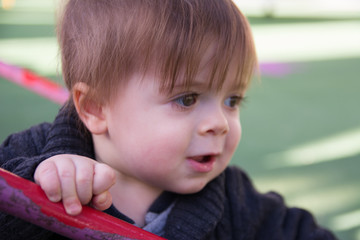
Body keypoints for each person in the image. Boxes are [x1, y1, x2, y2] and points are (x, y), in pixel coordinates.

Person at [0, 0, 337, 239]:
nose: (219, 122)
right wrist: (36, 190)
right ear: (96, 108)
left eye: (232, 100)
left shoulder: (233, 198)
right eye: (186, 99)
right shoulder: (28, 158)